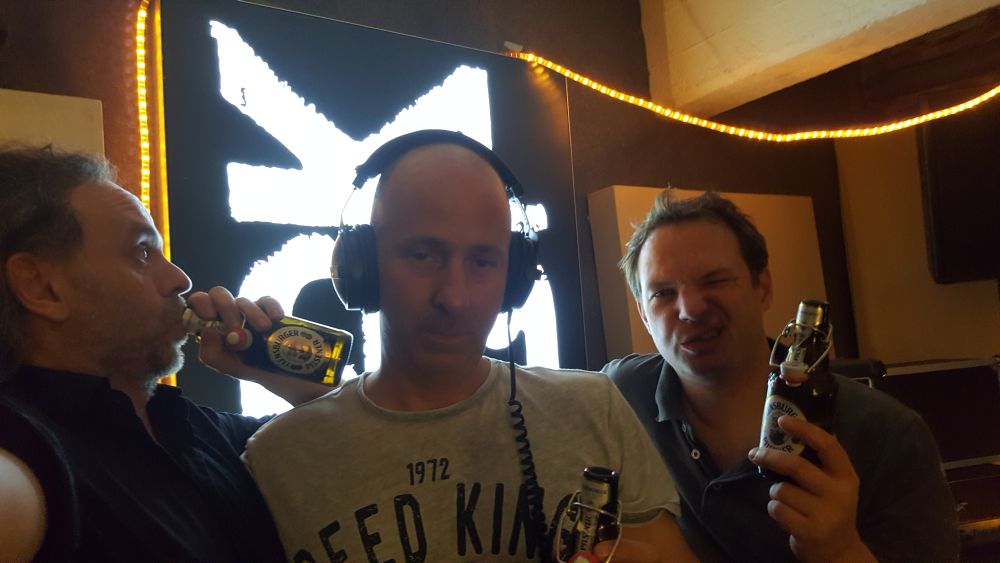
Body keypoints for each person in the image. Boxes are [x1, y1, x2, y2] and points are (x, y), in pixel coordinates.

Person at [243, 131, 697, 562]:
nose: (454, 297)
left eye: (483, 261)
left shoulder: (596, 408)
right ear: (361, 265)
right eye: (423, 255)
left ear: (515, 276)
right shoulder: (277, 458)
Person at [0, 145, 329, 562]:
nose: (179, 278)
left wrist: (293, 377)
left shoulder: (202, 430)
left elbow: (366, 449)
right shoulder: (22, 449)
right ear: (41, 287)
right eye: (142, 252)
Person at [603, 190, 960, 562]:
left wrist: (841, 551)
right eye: (663, 293)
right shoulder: (617, 395)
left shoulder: (889, 436)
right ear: (644, 315)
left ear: (763, 287)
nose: (690, 309)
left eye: (715, 281)